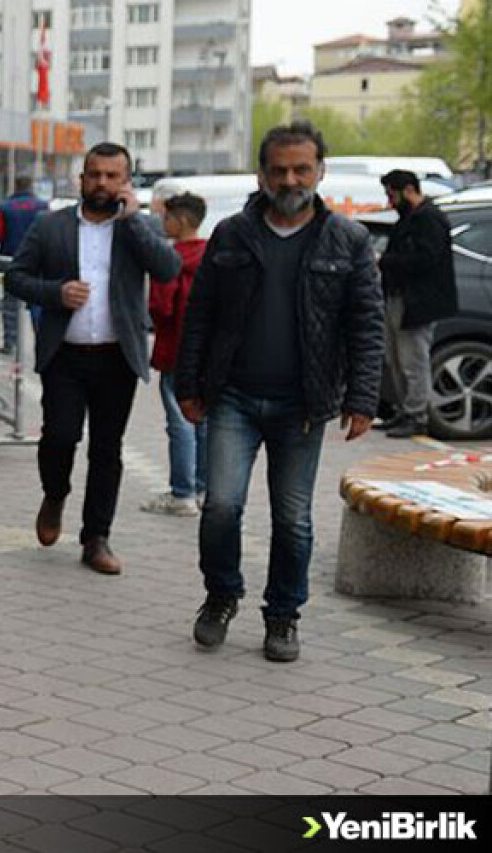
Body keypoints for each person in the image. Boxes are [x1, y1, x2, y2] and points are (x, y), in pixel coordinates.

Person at [176, 122, 385, 662]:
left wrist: (363, 399)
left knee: (293, 518)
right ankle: (220, 597)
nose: (289, 179)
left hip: (303, 405)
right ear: (261, 173)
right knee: (220, 505)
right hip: (234, 398)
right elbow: (199, 314)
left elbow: (366, 325)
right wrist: (189, 384)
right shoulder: (232, 234)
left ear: (320, 171)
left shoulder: (349, 240)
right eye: (278, 169)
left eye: (301, 169)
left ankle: (283, 616)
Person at [5, 142, 181, 575]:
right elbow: (15, 277)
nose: (102, 183)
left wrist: (135, 219)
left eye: (112, 176)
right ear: (81, 179)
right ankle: (55, 493)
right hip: (65, 355)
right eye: (95, 174)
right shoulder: (52, 227)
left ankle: (96, 538)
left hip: (116, 357)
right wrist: (55, 293)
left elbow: (168, 269)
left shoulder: (139, 228)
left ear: (126, 182)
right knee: (60, 438)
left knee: (107, 450)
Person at [141, 192, 209, 517]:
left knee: (179, 421)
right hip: (207, 354)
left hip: (175, 350)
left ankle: (181, 493)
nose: (162, 224)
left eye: (166, 218)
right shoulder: (213, 255)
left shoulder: (169, 260)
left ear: (180, 221)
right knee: (204, 420)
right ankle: (202, 488)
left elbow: (161, 308)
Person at [377, 169, 457, 438]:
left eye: (392, 194)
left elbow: (425, 259)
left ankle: (416, 414)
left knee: (413, 360)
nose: (390, 201)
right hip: (401, 297)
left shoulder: (428, 220)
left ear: (408, 190)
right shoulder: (411, 218)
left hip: (418, 301)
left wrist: (384, 261)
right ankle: (405, 410)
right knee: (397, 359)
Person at [0, 176, 48, 353]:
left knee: (11, 305)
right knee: (37, 304)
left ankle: (9, 343)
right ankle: (42, 342)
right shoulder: (43, 206)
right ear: (30, 186)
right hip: (37, 262)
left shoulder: (4, 208)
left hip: (11, 262)